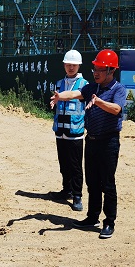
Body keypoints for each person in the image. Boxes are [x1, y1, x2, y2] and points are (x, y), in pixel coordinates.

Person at [51, 50, 126, 239]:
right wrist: (60, 96)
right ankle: (92, 217)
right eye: (95, 69)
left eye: (100, 69)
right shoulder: (92, 87)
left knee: (107, 183)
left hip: (108, 142)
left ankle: (109, 222)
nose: (96, 73)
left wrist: (99, 102)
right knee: (92, 182)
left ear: (111, 70)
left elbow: (116, 109)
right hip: (91, 140)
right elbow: (75, 93)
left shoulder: (118, 89)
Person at [48, 50, 88, 212]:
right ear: (64, 65)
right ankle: (67, 190)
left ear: (79, 66)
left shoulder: (84, 85)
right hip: (61, 131)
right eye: (68, 65)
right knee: (63, 163)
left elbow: (73, 96)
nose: (71, 67)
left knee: (75, 166)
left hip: (75, 131)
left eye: (74, 65)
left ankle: (77, 195)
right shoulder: (59, 83)